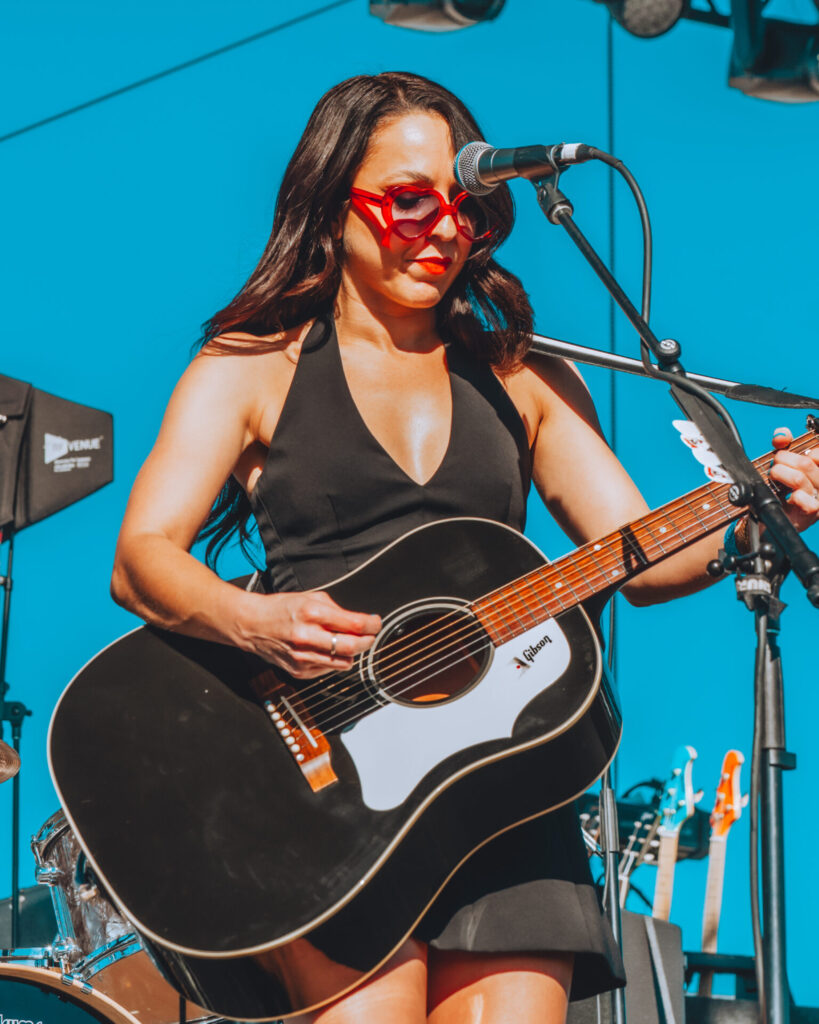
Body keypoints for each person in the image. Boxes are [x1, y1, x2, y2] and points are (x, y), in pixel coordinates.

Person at [111, 72, 819, 1024]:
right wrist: (254, 620)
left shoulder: (524, 376)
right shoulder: (249, 368)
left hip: (501, 789)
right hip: (318, 789)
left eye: (468, 210)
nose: (444, 229)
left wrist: (760, 513)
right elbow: (142, 558)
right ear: (332, 201)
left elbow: (643, 561)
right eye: (411, 201)